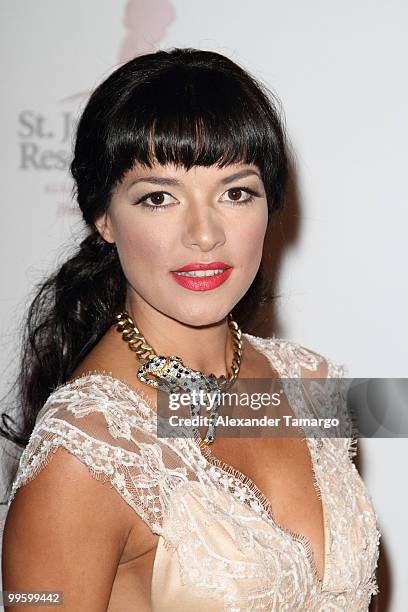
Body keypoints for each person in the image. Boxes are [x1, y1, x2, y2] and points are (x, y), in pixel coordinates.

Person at [1, 48, 380, 611]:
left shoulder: (310, 382)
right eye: (159, 197)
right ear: (102, 216)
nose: (205, 234)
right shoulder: (84, 454)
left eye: (235, 192)